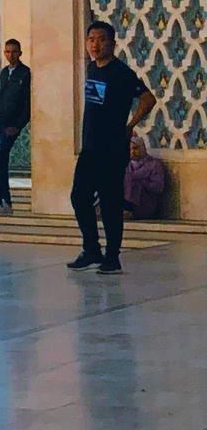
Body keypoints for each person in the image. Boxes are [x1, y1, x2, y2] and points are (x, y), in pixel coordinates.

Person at [70, 21, 157, 273]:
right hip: (90, 147)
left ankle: (112, 257)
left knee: (110, 202)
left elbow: (148, 98)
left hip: (111, 148)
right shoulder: (91, 68)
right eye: (91, 39)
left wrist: (130, 125)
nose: (95, 44)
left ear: (112, 43)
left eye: (101, 39)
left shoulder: (121, 72)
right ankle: (91, 249)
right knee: (79, 197)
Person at [0, 38, 31, 214]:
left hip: (11, 125)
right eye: (8, 52)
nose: (11, 55)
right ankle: (5, 202)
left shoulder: (25, 73)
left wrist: (18, 125)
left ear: (20, 53)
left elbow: (27, 103)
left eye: (14, 51)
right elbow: (1, 97)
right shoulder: (5, 73)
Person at [124, 133, 169, 221]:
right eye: (129, 149)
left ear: (142, 148)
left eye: (135, 148)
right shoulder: (126, 165)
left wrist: (141, 183)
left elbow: (158, 187)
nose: (132, 152)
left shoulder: (154, 164)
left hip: (145, 204)